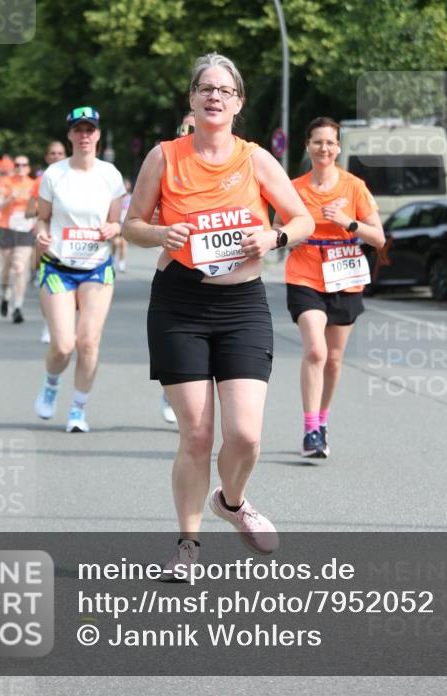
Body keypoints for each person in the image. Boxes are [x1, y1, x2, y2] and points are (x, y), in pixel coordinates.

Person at [124, 54, 314, 575]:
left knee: (247, 434)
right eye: (205, 88)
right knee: (198, 435)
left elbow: (302, 218)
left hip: (242, 306)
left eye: (224, 91)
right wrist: (161, 233)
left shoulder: (255, 159)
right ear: (191, 99)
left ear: (238, 103)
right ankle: (187, 546)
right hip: (179, 304)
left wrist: (274, 236)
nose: (214, 97)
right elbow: (132, 225)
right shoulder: (165, 157)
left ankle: (231, 502)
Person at [276, 117, 385, 460]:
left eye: (330, 143)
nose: (324, 148)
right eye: (317, 142)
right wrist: (292, 235)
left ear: (338, 148)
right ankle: (310, 430)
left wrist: (347, 223)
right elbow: (278, 227)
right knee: (316, 351)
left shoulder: (354, 187)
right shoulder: (293, 187)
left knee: (334, 360)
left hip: (345, 277)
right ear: (307, 147)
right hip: (305, 275)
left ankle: (322, 421)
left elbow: (378, 238)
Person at [33, 106, 125, 433]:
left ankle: (77, 410)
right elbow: (42, 217)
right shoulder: (54, 175)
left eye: (90, 129)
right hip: (58, 267)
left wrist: (114, 229)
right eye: (78, 129)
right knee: (62, 345)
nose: (84, 135)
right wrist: (41, 233)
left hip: (97, 268)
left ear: (98, 134)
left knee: (88, 342)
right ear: (70, 135)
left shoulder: (110, 175)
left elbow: (117, 220)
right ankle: (51, 383)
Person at [159, 111, 196, 426]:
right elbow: (141, 219)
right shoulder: (167, 159)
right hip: (177, 266)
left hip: (225, 276)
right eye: (186, 127)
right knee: (181, 348)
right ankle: (170, 389)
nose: (190, 130)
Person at [25, 140, 67, 343]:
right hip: (47, 236)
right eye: (53, 153)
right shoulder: (40, 182)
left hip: (70, 239)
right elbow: (28, 211)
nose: (57, 156)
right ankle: (48, 324)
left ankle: (64, 325)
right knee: (48, 285)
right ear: (47, 157)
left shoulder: (74, 177)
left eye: (60, 153)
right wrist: (45, 209)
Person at [0, 156, 36, 323]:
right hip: (6, 227)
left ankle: (18, 307)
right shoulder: (6, 182)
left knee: (20, 268)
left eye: (24, 164)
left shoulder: (33, 185)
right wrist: (10, 198)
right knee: (7, 269)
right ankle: (5, 296)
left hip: (25, 229)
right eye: (17, 164)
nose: (20, 167)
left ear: (28, 167)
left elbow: (39, 206)